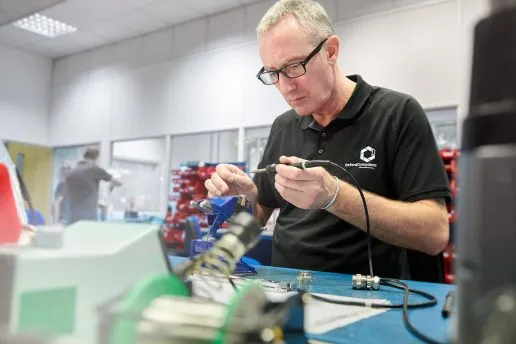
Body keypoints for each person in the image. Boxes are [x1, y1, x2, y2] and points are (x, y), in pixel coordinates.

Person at [205, 0, 450, 278]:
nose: (285, 86)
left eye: (294, 66)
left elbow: (435, 233)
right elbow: (259, 214)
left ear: (331, 51)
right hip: (285, 293)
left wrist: (334, 195)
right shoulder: (284, 125)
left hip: (367, 302)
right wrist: (243, 199)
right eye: (273, 72)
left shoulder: (396, 114)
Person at [66, 147, 122, 225]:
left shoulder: (72, 172)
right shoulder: (94, 169)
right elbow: (118, 183)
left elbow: (80, 193)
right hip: (88, 218)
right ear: (96, 158)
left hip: (72, 217)